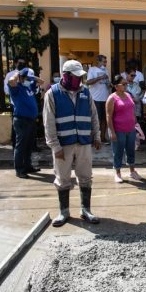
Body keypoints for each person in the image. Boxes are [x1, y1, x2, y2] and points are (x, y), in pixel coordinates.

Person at [43, 60, 102, 227]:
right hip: (63, 145)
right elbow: (48, 123)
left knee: (85, 177)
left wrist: (96, 136)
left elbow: (94, 116)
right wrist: (55, 146)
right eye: (76, 77)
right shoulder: (52, 94)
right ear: (66, 76)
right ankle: (64, 212)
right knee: (62, 178)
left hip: (83, 143)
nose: (79, 80)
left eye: (80, 77)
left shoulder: (85, 92)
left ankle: (86, 210)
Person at [8, 67, 43, 178]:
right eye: (27, 78)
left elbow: (41, 82)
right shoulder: (16, 88)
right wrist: (17, 74)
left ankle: (28, 166)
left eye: (30, 78)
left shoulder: (29, 87)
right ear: (21, 78)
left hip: (31, 120)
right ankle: (19, 169)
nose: (30, 80)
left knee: (29, 145)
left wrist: (31, 76)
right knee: (21, 146)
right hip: (21, 120)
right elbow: (10, 81)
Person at [107, 75, 143, 183]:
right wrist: (112, 132)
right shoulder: (112, 98)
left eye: (126, 83)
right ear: (116, 86)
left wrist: (135, 122)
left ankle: (132, 171)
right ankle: (117, 173)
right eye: (123, 84)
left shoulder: (128, 95)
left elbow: (132, 110)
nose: (126, 85)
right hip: (118, 130)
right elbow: (108, 116)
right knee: (118, 151)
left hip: (131, 129)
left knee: (131, 150)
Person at [3, 57, 34, 147]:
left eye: (23, 63)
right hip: (16, 104)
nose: (21, 65)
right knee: (17, 127)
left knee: (30, 126)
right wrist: (16, 88)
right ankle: (15, 145)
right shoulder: (10, 75)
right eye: (20, 63)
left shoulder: (28, 73)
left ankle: (30, 146)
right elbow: (6, 89)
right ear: (15, 63)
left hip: (27, 103)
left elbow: (32, 86)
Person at [85, 54, 110, 143]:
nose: (105, 63)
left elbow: (107, 84)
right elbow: (88, 82)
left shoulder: (106, 70)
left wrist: (109, 84)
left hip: (105, 98)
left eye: (106, 61)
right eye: (104, 61)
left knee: (104, 120)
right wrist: (100, 77)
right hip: (96, 98)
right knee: (96, 119)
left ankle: (102, 138)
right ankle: (94, 139)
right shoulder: (92, 69)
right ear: (98, 61)